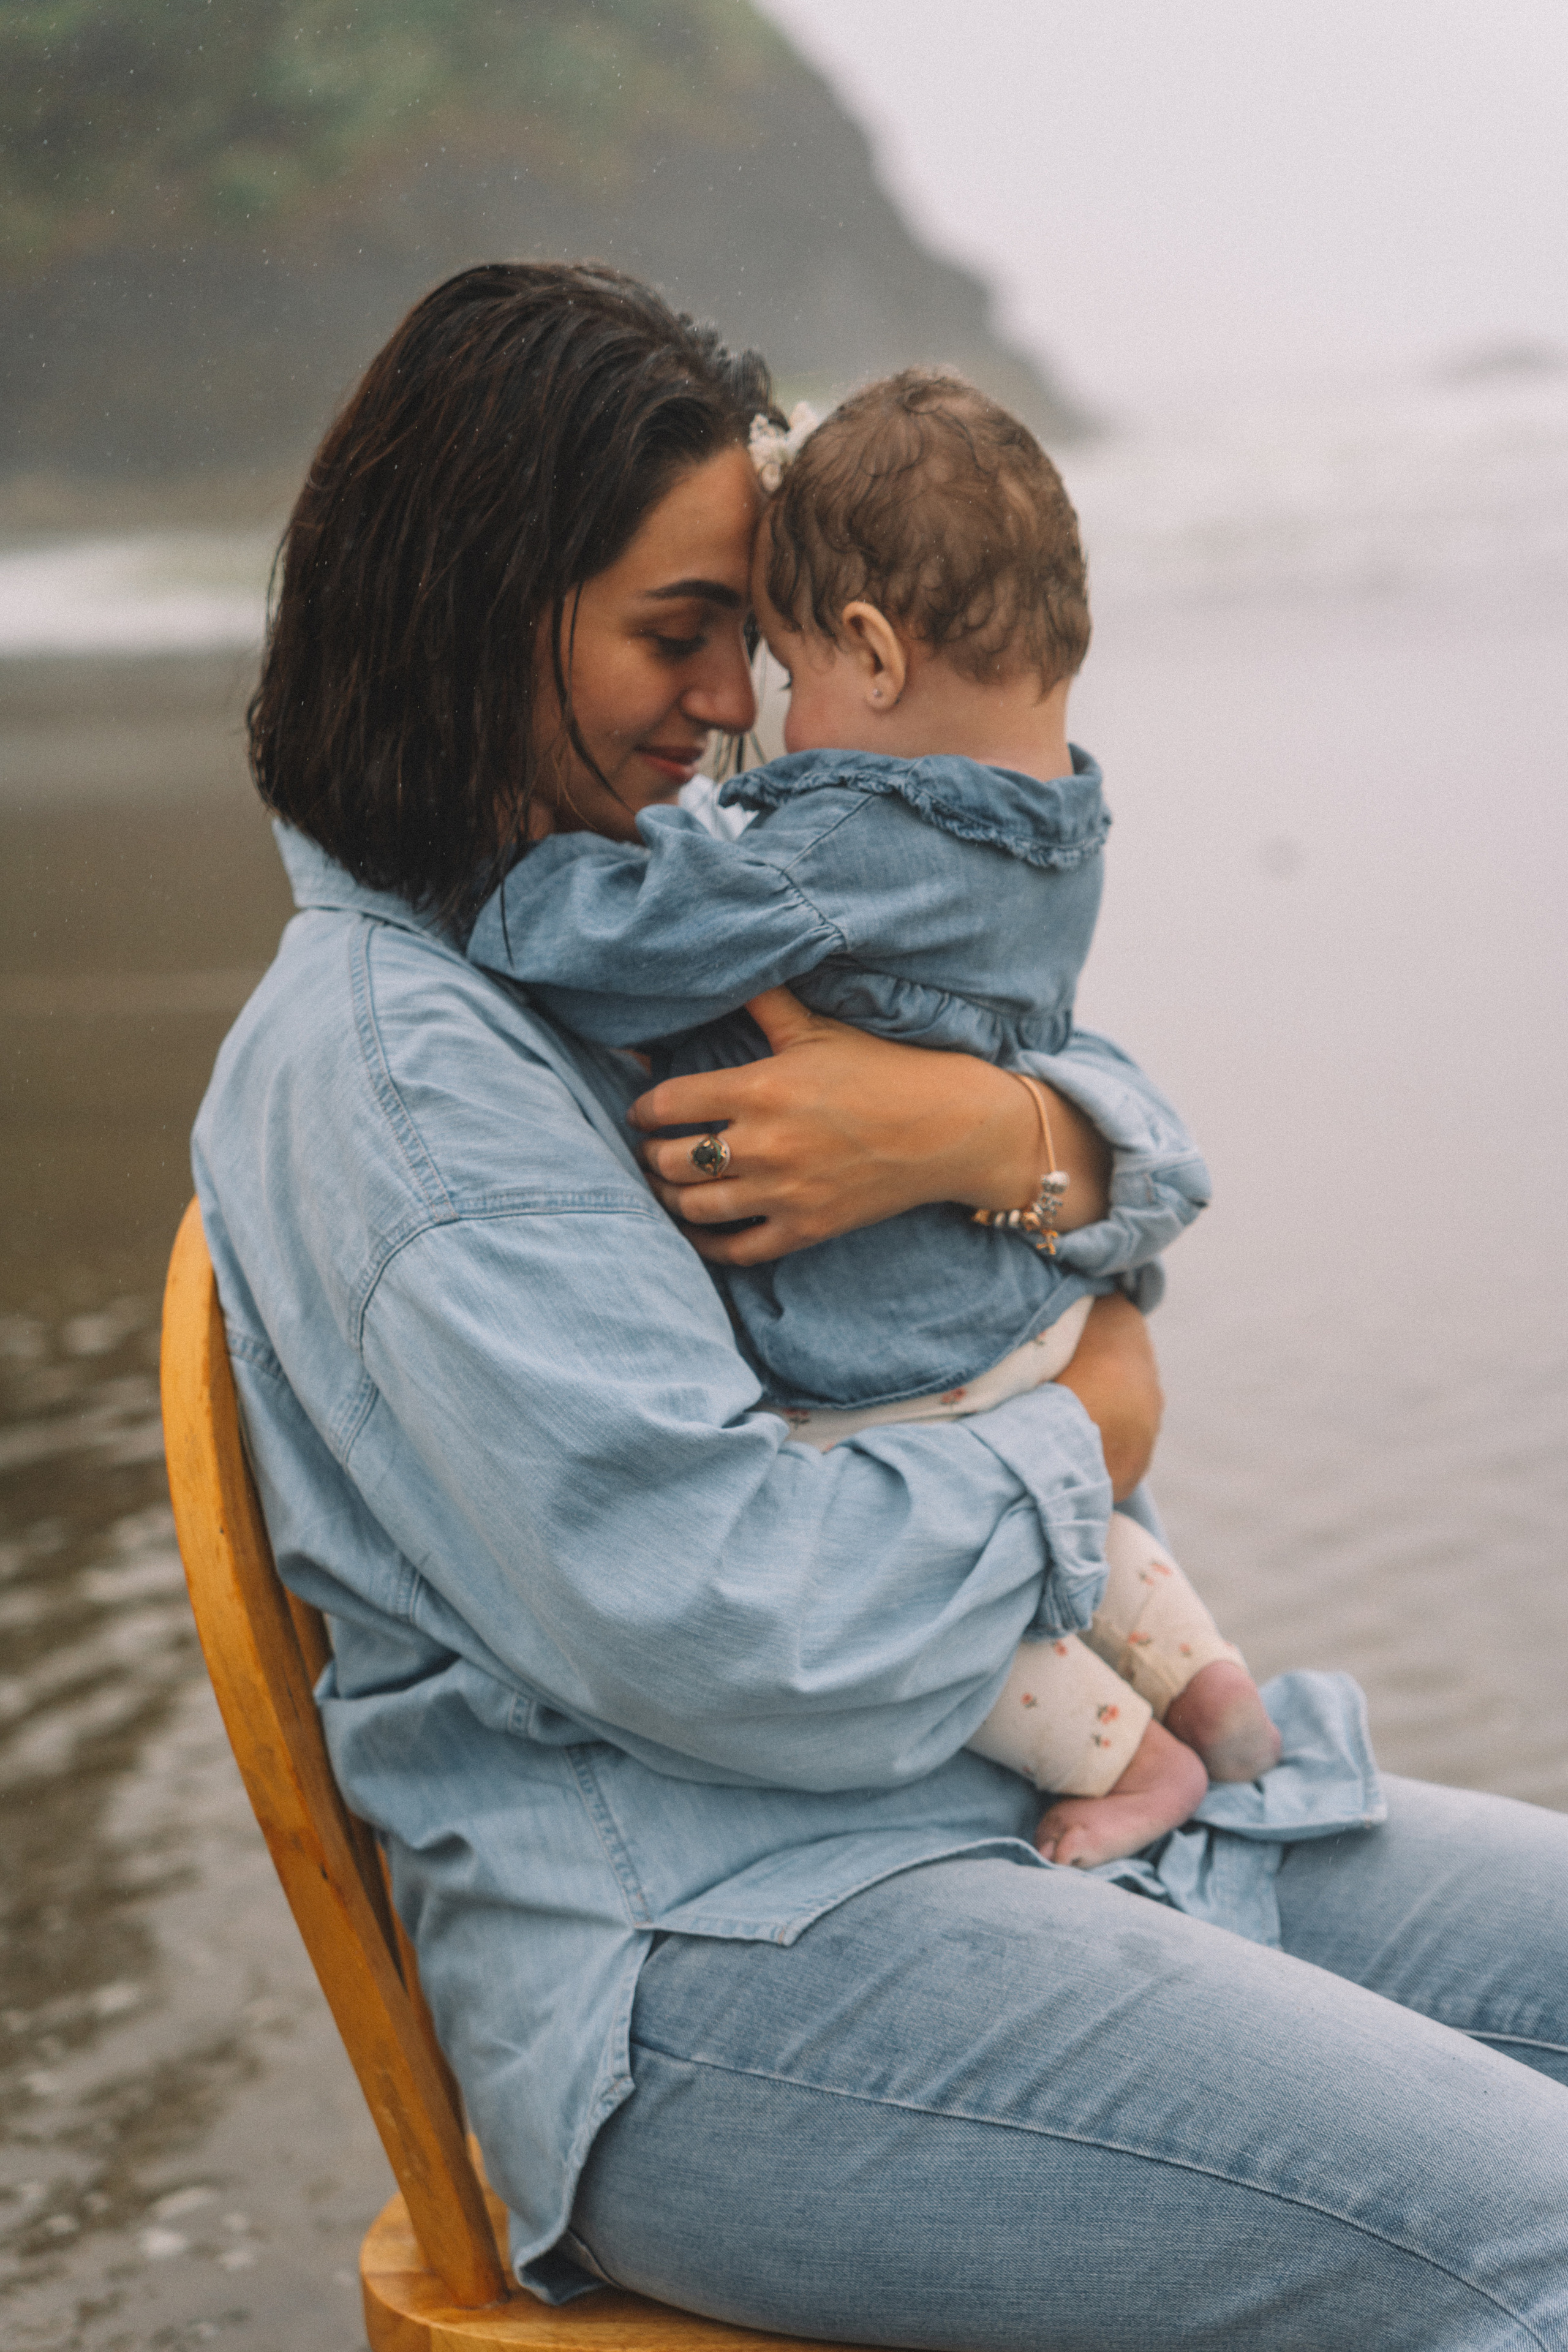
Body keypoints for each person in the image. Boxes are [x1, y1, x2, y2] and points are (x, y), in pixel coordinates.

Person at [196, 260, 1568, 2349]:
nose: (737, 701)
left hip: (1041, 1805)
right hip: (729, 1955)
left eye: (746, 635)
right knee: (1532, 2243)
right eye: (678, 633)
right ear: (477, 609)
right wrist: (1084, 1436)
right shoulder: (402, 1065)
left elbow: (1125, 1162)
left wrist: (999, 1133)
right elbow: (736, 1622)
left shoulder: (663, 910)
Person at [464, 369, 1280, 1863]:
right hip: (1033, 1298)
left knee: (924, 1577)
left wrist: (507, 887)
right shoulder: (1058, 823)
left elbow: (635, 937)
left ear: (872, 651)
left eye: (781, 665)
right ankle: (1213, 1685)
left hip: (892, 1342)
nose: (754, 717)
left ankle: (1132, 1754)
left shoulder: (839, 838)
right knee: (1084, 1541)